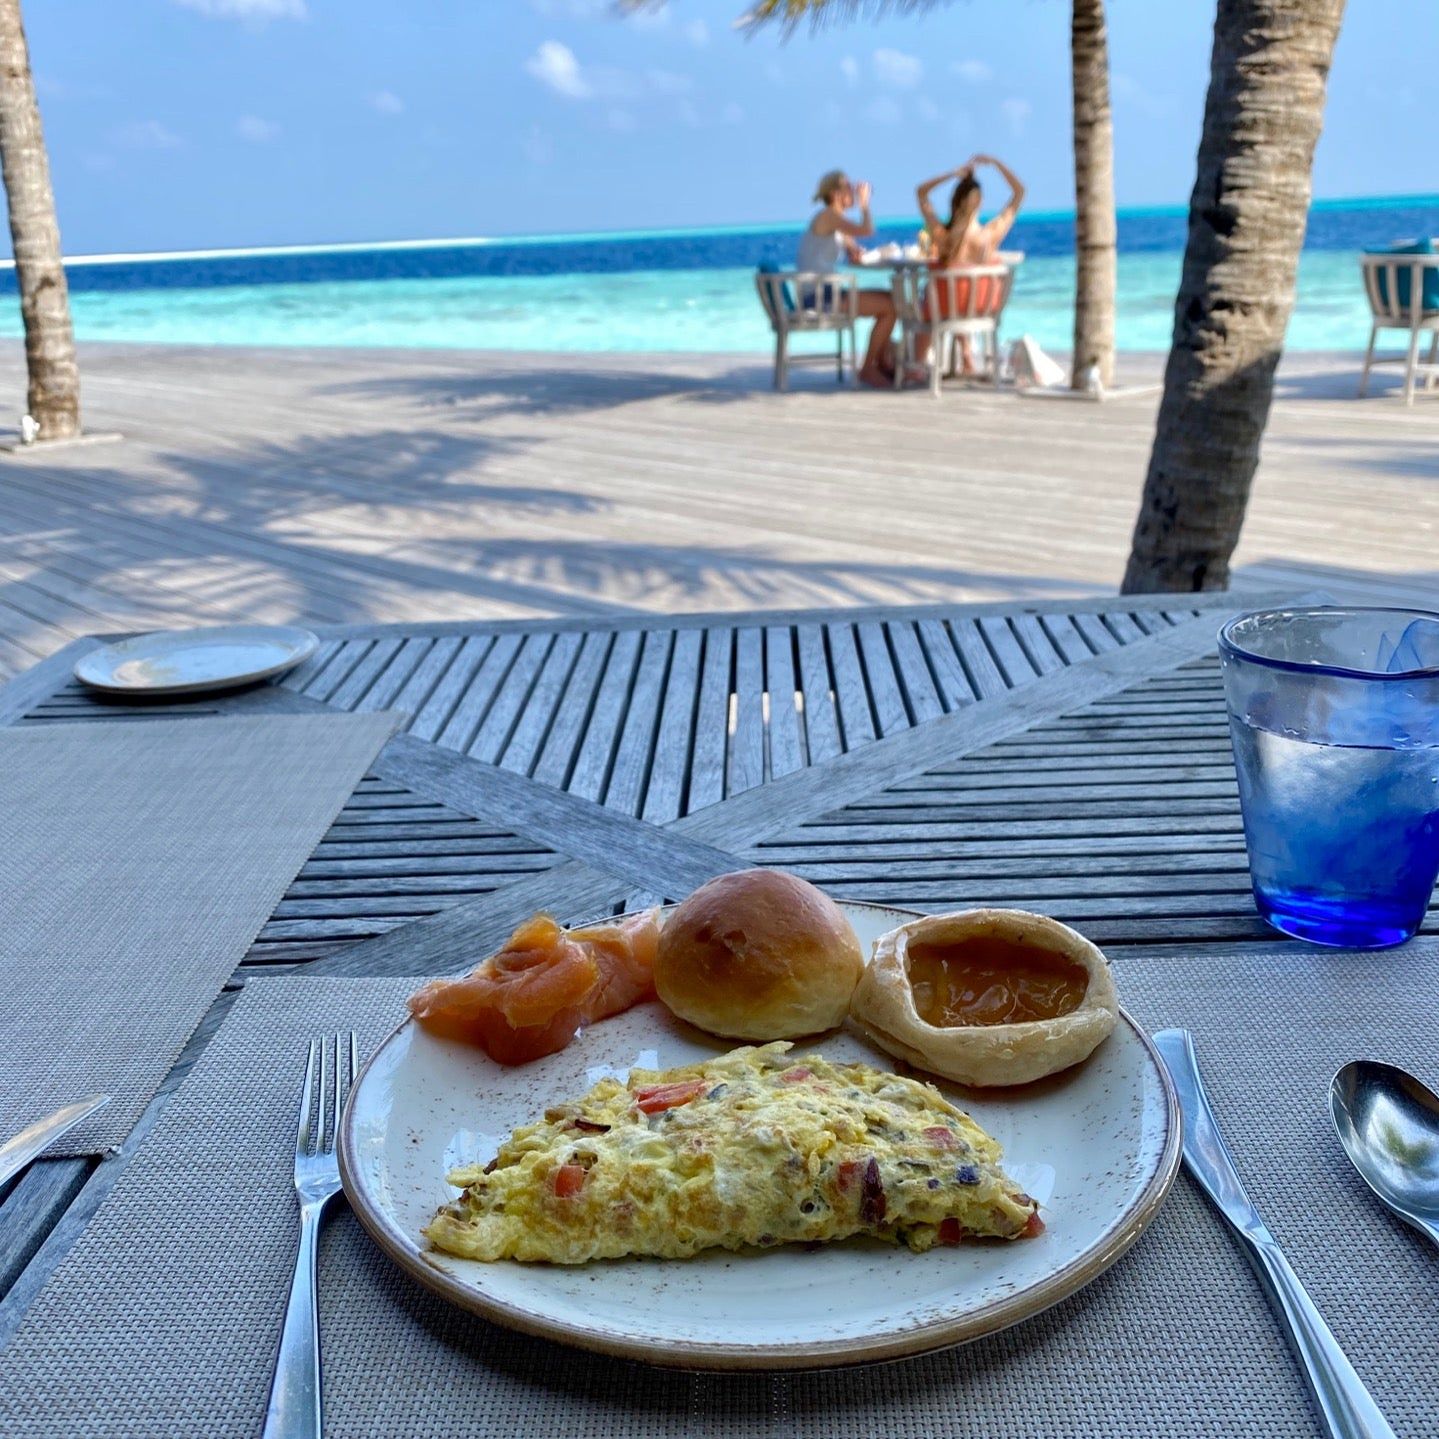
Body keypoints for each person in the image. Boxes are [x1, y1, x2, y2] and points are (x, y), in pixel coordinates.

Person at [912, 154, 1025, 376]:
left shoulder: (941, 236)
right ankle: (966, 357)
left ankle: (917, 362)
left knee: (932, 294)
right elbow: (1019, 193)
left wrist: (952, 173)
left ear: (954, 202)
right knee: (961, 294)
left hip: (944, 310)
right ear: (980, 202)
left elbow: (921, 192)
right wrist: (996, 163)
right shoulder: (990, 235)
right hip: (980, 309)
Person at [797, 170, 898, 389]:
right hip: (818, 297)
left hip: (824, 292)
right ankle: (868, 369)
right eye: (849, 188)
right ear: (835, 194)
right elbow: (867, 229)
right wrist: (864, 204)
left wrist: (856, 251)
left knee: (892, 299)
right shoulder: (828, 216)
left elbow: (854, 247)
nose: (853, 191)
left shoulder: (835, 220)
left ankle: (880, 364)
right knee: (891, 306)